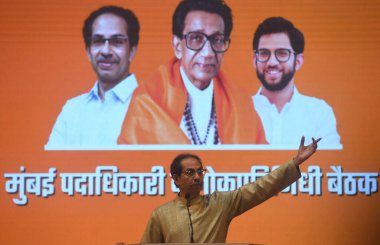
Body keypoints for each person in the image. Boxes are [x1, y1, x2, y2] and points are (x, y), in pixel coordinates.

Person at [117, 0, 266, 145]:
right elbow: (129, 165)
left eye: (217, 40)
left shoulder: (241, 105)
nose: (208, 53)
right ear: (177, 46)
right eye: (196, 38)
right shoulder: (147, 101)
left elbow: (261, 163)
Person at [141, 136, 321, 242]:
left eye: (200, 171)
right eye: (190, 172)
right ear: (176, 178)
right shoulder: (161, 214)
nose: (197, 177)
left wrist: (295, 162)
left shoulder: (220, 204)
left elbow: (261, 187)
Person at [46, 6, 140, 146]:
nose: (106, 51)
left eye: (117, 41)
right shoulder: (72, 110)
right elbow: (51, 165)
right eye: (98, 41)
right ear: (88, 52)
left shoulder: (154, 107)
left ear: (132, 51)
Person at [252, 17, 341, 147]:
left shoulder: (319, 113)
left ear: (298, 61)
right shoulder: (237, 112)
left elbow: (330, 165)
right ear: (255, 60)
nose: (272, 62)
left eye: (282, 53)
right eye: (264, 53)